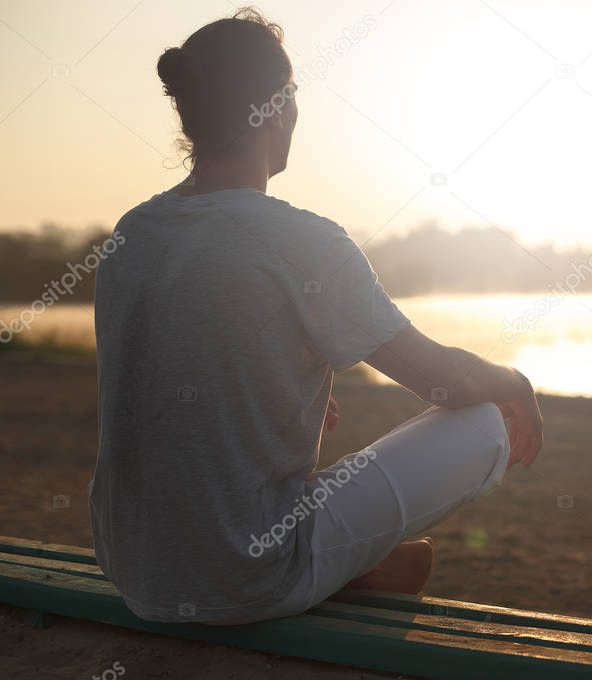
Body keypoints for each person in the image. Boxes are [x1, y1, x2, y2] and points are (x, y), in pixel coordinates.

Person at [88, 7, 542, 626]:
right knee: (485, 421)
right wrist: (516, 384)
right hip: (245, 575)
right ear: (278, 107)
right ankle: (333, 568)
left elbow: (161, 377)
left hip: (134, 569)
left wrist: (269, 388)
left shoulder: (132, 234)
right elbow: (443, 381)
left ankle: (348, 566)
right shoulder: (301, 240)